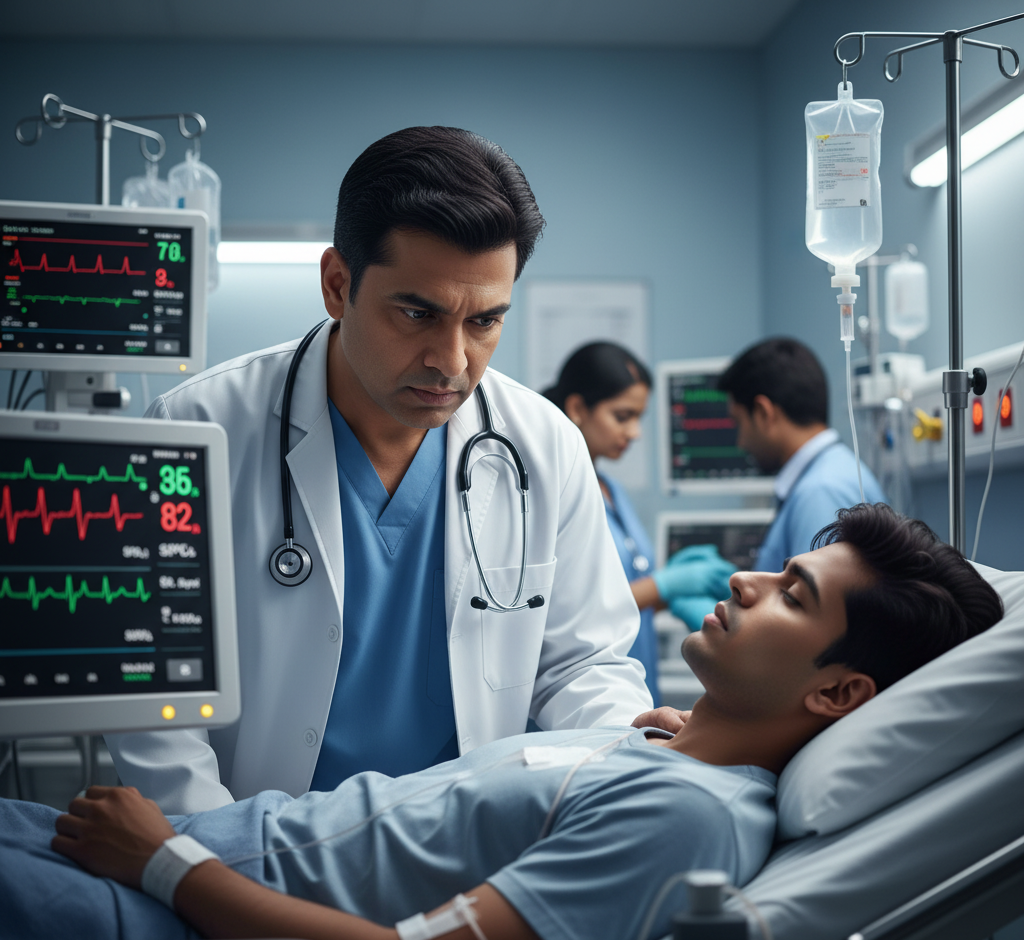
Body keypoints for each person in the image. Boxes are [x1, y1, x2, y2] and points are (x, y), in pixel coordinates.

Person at [0, 505, 1003, 940]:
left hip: (163, 906)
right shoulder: (659, 751)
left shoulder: (688, 820)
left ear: (834, 693)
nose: (744, 576)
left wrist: (163, 862)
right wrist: (654, 742)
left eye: (791, 591)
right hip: (142, 857)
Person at [105, 127, 667, 816]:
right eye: (417, 313)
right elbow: (157, 697)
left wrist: (623, 749)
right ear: (337, 285)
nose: (452, 361)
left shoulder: (543, 444)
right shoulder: (198, 430)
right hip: (251, 843)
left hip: (464, 846)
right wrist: (219, 861)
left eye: (486, 321)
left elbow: (583, 664)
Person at [543, 343, 735, 703]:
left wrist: (671, 594)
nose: (635, 433)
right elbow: (567, 611)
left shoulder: (611, 490)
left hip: (633, 682)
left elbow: (625, 594)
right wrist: (661, 586)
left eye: (638, 418)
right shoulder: (551, 491)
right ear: (577, 408)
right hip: (584, 693)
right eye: (622, 416)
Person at [718, 337, 887, 575]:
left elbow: (815, 609)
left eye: (739, 423)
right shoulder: (831, 474)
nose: (740, 442)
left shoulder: (821, 492)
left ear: (763, 413)